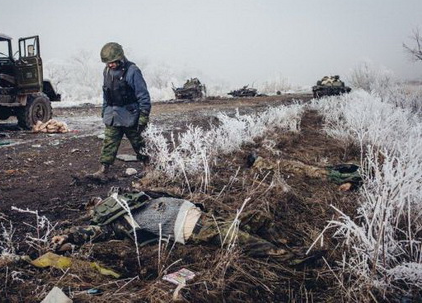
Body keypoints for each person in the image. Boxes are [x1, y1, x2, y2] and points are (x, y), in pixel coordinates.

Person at [51, 190, 289, 259]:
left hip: (200, 216)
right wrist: (69, 236)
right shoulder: (116, 223)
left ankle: (286, 242)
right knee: (253, 244)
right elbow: (92, 231)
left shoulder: (137, 197)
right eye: (97, 205)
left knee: (259, 216)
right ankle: (295, 258)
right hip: (194, 229)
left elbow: (166, 194)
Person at [93, 42, 151, 178]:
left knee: (139, 143)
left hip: (131, 116)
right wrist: (104, 111)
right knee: (109, 143)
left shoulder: (133, 71)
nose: (110, 65)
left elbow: (143, 96)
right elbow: (106, 93)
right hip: (112, 114)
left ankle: (148, 167)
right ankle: (103, 169)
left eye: (112, 62)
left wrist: (143, 117)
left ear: (120, 57)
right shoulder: (106, 71)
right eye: (107, 62)